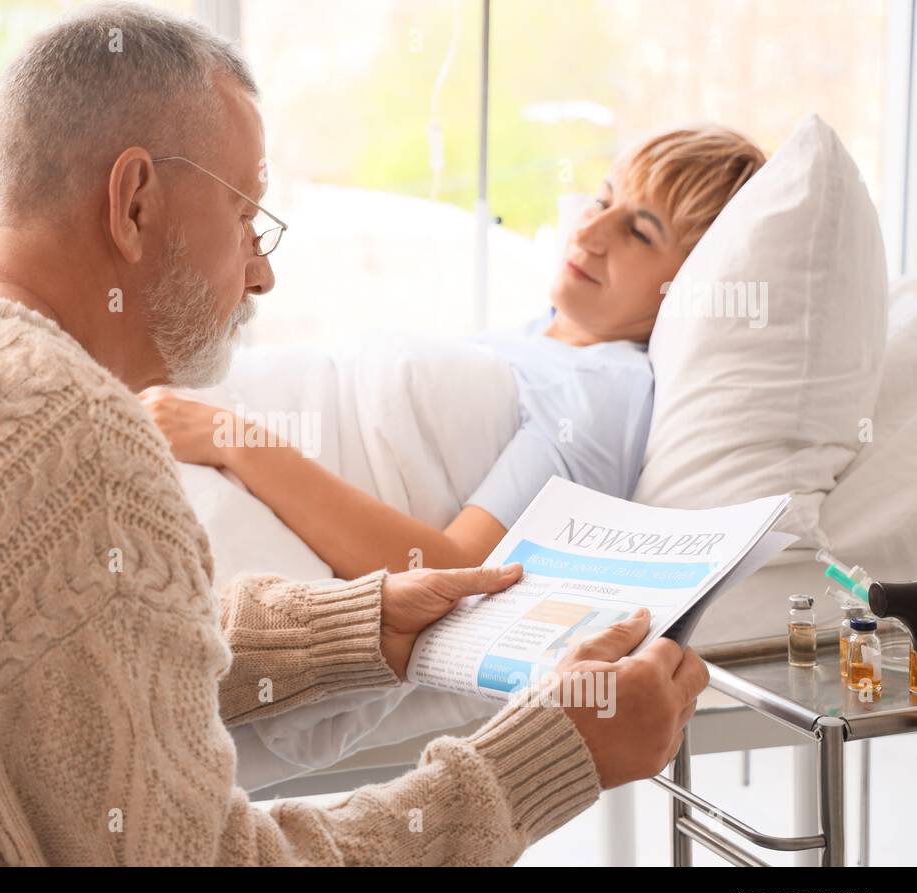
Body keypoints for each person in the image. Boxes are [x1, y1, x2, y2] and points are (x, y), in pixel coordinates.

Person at [0, 1, 706, 866]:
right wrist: (550, 753)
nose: (261, 269)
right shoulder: (53, 433)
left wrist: (356, 627)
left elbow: (63, 661)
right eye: (249, 216)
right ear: (136, 202)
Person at [142, 127, 767, 578]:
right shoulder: (533, 337)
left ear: (689, 284)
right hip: (186, 414)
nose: (589, 230)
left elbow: (458, 573)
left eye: (638, 231)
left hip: (211, 452)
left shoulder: (601, 394)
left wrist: (233, 438)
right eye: (605, 200)